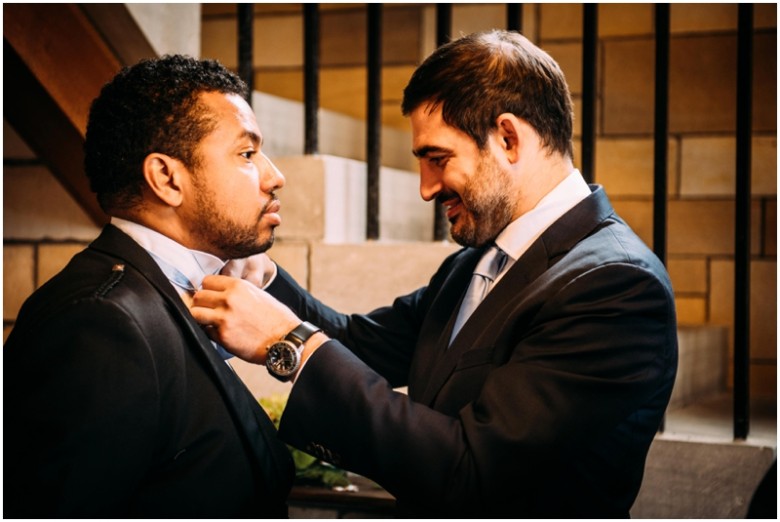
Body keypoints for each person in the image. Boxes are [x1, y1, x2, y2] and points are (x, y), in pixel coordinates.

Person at [191, 30, 678, 518]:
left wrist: (290, 343)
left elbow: (472, 472)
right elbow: (360, 344)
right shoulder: (476, 261)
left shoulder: (616, 286)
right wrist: (264, 276)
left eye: (438, 159)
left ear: (509, 139)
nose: (426, 189)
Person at [3, 55, 294, 517]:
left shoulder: (164, 292)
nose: (274, 176)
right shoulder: (98, 324)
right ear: (166, 178)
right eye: (246, 153)